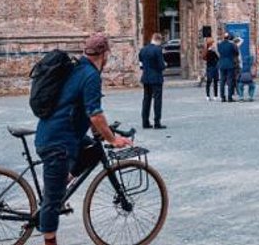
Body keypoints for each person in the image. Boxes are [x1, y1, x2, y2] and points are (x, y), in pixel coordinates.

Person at [35, 34, 132, 245]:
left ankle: (65, 178)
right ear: (104, 54)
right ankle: (49, 237)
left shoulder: (77, 68)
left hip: (63, 136)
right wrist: (113, 139)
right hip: (57, 142)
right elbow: (95, 114)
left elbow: (79, 107)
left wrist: (101, 135)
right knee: (51, 202)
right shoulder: (91, 76)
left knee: (94, 150)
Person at [138, 33, 167, 129]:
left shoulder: (143, 50)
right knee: (157, 100)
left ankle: (145, 122)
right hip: (156, 78)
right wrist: (165, 65)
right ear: (159, 40)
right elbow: (161, 65)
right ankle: (157, 122)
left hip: (146, 77)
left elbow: (141, 64)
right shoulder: (158, 50)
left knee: (146, 100)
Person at [217, 32, 239, 102]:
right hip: (230, 64)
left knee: (222, 81)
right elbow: (236, 53)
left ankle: (222, 97)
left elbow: (219, 52)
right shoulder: (231, 45)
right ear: (229, 37)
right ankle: (229, 97)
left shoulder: (219, 45)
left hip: (222, 64)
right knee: (230, 81)